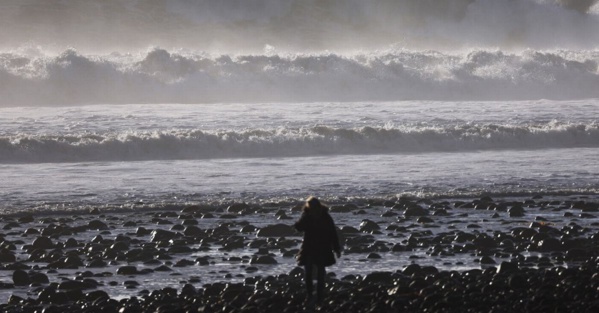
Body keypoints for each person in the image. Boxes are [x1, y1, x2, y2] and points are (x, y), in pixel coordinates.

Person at [294, 196, 341, 304]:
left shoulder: (325, 216)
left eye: (313, 206)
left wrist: (336, 248)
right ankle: (311, 295)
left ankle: (318, 296)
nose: (312, 208)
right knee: (309, 273)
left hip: (321, 248)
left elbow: (332, 233)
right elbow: (300, 227)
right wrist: (299, 223)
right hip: (311, 247)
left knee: (319, 273)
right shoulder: (307, 215)